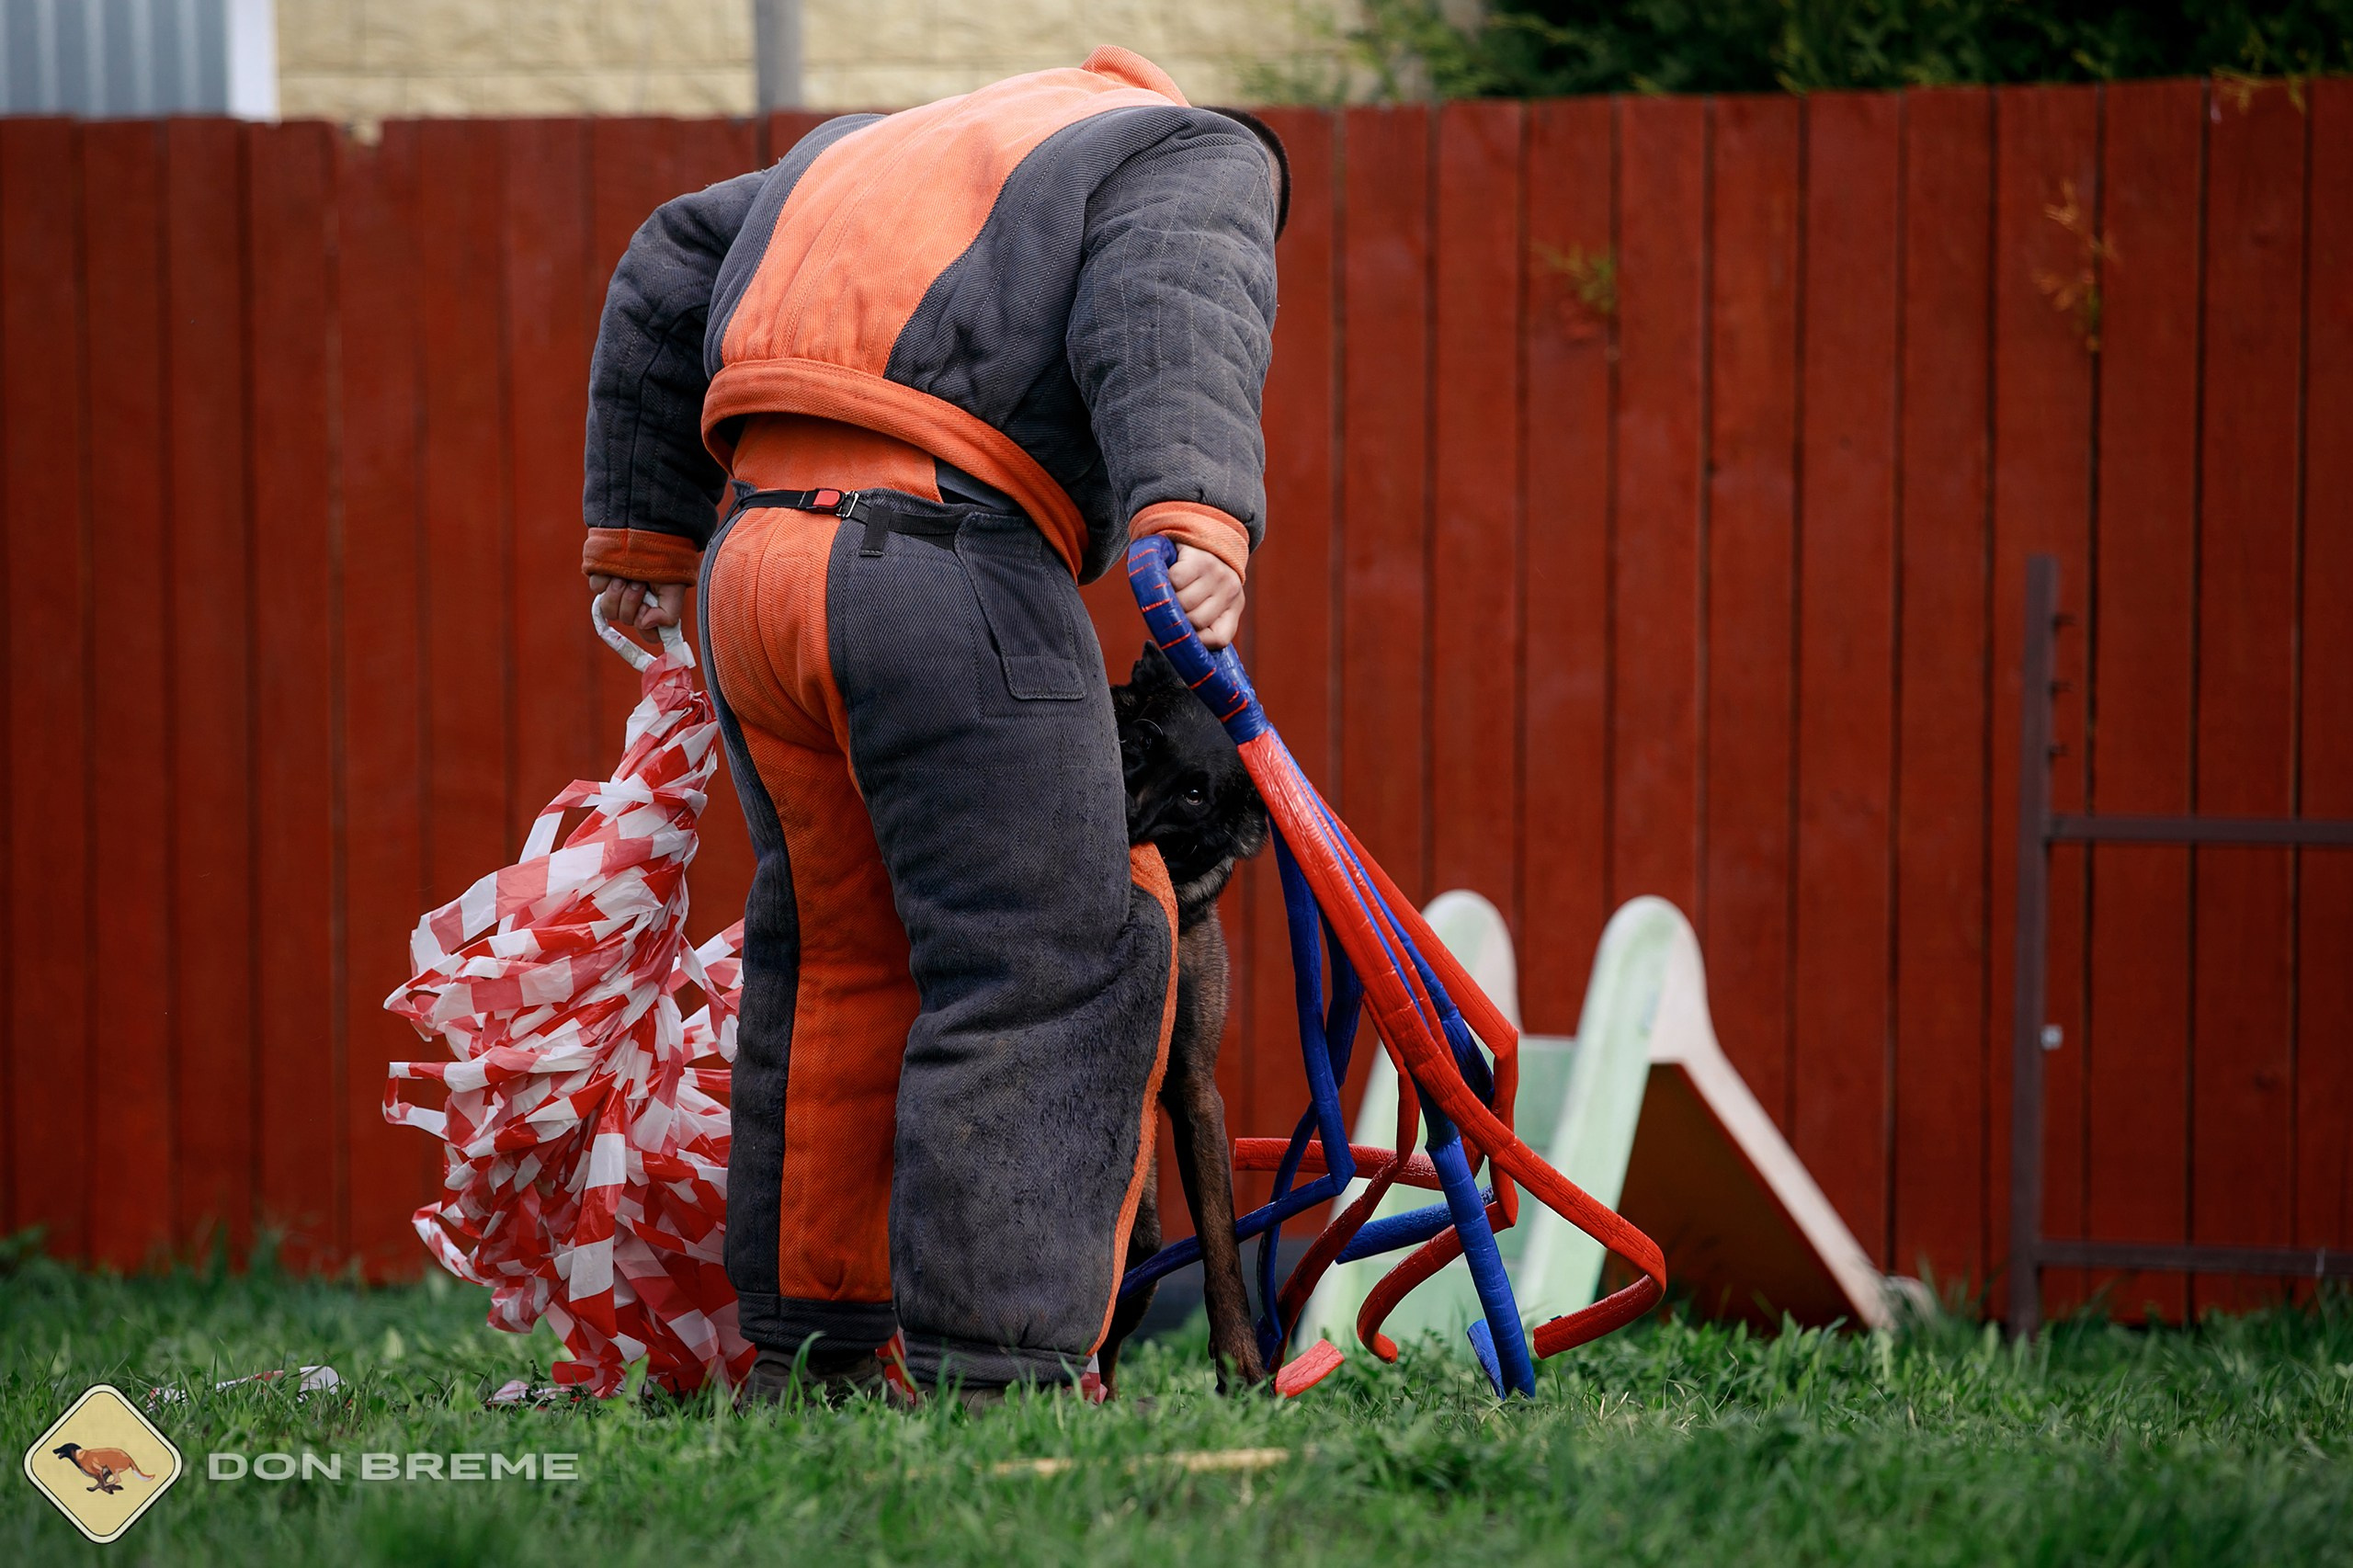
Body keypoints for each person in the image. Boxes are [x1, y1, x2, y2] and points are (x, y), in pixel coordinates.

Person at [579, 46, 1287, 1400]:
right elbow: (1175, 295)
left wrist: (638, 524)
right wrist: (1192, 507)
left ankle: (812, 1354)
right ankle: (994, 1373)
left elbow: (672, 257)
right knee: (1050, 960)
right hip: (942, 559)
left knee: (833, 963)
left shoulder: (870, 149)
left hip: (753, 564)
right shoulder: (1181, 147)